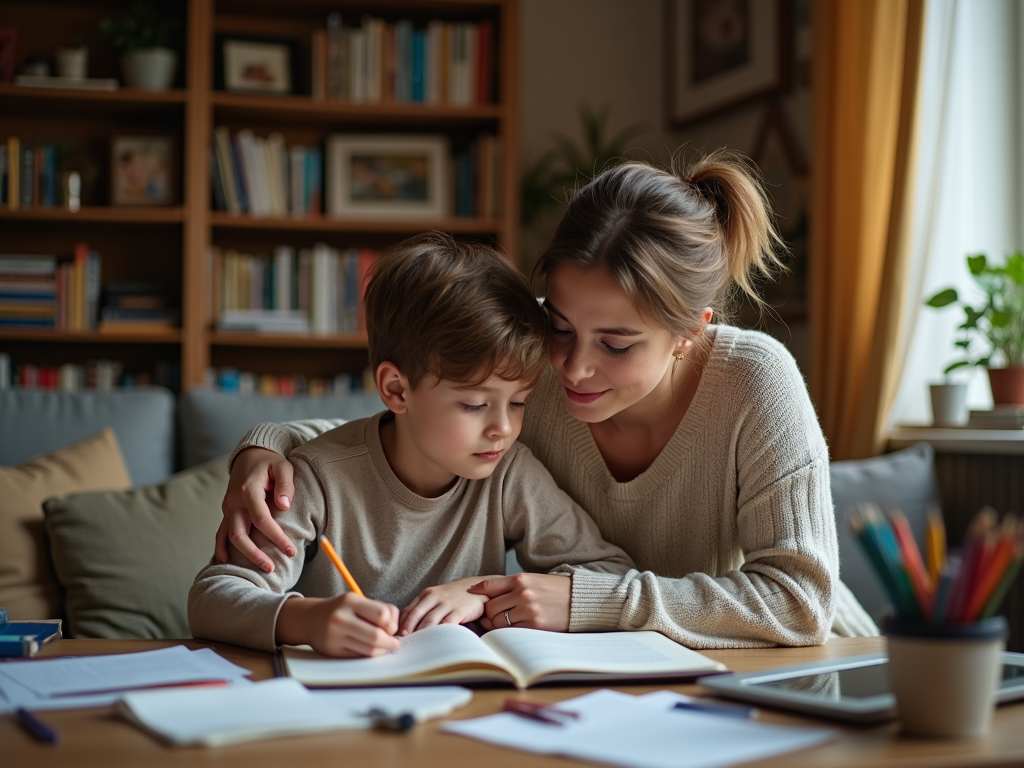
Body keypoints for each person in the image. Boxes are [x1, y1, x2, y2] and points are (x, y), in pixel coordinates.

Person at [217, 150, 879, 648]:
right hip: (633, 671)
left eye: (617, 345)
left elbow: (797, 603)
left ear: (688, 333)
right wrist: (263, 449)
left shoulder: (755, 382)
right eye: (559, 325)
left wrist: (579, 600)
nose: (574, 367)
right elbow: (414, 418)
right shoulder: (529, 359)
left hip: (802, 664)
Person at [188, 233, 634, 656]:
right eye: (475, 405)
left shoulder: (509, 473)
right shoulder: (317, 479)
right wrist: (306, 620)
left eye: (518, 402)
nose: (503, 427)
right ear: (397, 390)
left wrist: (481, 595)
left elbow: (610, 573)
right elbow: (212, 598)